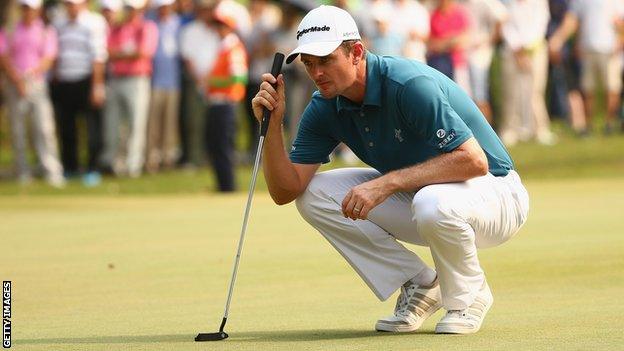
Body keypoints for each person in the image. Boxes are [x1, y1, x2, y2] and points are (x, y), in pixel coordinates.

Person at [252, 5, 529, 334]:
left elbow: (474, 161)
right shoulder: (325, 105)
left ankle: (468, 295)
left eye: (326, 60)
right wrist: (272, 126)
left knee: (431, 202)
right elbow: (286, 191)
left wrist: (387, 183)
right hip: (427, 197)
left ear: (356, 52)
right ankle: (420, 283)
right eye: (310, 64)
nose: (317, 72)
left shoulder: (408, 84)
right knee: (313, 195)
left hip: (496, 194)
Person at [0, 0, 65, 187]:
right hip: (14, 84)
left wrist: (32, 74)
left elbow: (48, 58)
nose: (28, 11)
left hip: (37, 83)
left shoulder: (46, 31)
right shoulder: (10, 30)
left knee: (44, 129)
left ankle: (52, 171)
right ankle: (22, 172)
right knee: (18, 130)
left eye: (32, 8)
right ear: (21, 9)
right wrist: (18, 79)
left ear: (38, 9)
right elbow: (3, 57)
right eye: (25, 8)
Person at [51, 0, 107, 186]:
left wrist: (97, 86)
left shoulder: (94, 22)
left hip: (87, 80)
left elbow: (98, 56)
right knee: (67, 128)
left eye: (75, 4)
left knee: (92, 128)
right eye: (69, 4)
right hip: (65, 82)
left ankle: (93, 168)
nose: (72, 8)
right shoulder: (58, 23)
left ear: (85, 4)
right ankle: (71, 168)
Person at [101, 0, 158, 177]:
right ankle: (115, 164)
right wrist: (128, 54)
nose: (130, 12)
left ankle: (133, 166)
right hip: (117, 79)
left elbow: (144, 52)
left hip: (137, 80)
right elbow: (108, 52)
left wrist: (122, 54)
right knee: (114, 125)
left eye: (133, 8)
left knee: (136, 124)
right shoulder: (117, 28)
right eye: (128, 8)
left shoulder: (146, 27)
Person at [549, 0, 624, 134]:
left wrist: (620, 40)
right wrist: (575, 43)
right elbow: (575, 20)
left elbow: (621, 21)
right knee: (588, 89)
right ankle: (588, 124)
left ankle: (609, 123)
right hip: (587, 48)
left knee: (612, 88)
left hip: (610, 49)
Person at [145, 0, 182, 173]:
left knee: (170, 123)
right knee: (153, 124)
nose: (164, 9)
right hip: (154, 81)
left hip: (173, 82)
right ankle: (152, 159)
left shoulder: (178, 24)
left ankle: (168, 158)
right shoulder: (151, 22)